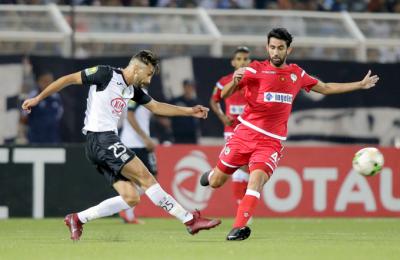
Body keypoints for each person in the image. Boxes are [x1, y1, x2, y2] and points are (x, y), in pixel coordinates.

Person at [200, 28, 379, 241]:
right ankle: (211, 175)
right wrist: (235, 79)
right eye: (272, 47)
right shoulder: (254, 69)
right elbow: (224, 94)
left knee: (256, 180)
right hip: (244, 134)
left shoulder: (297, 74)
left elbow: (326, 87)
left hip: (271, 142)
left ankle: (239, 228)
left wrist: (359, 84)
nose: (275, 52)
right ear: (267, 48)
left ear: (288, 49)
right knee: (217, 182)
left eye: (280, 48)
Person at [22, 50, 221, 241]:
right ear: (137, 68)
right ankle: (189, 220)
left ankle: (77, 219)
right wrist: (37, 99)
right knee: (146, 178)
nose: (149, 80)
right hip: (102, 139)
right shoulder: (105, 74)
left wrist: (189, 111)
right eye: (149, 73)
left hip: (99, 144)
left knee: (131, 197)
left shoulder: (131, 89)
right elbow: (68, 79)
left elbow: (156, 106)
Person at [209, 46, 251, 208]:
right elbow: (214, 100)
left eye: (245, 59)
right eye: (239, 59)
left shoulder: (255, 79)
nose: (242, 62)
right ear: (233, 62)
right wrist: (222, 116)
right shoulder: (224, 81)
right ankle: (242, 204)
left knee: (245, 166)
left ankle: (215, 172)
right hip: (232, 129)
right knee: (241, 164)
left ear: (250, 61)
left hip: (250, 129)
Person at [118, 86, 157, 224]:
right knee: (150, 179)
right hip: (136, 144)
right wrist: (145, 138)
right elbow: (129, 115)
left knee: (142, 180)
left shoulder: (132, 93)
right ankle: (126, 208)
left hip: (132, 142)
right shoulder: (136, 93)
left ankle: (127, 211)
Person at [21, 72, 63, 144]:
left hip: (52, 139)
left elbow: (59, 115)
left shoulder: (56, 97)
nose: (47, 84)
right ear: (38, 82)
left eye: (50, 81)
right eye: (45, 81)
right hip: (35, 139)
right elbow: (24, 117)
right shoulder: (32, 96)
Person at [170, 79, 200, 144]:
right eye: (188, 86)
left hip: (192, 135)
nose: (189, 89)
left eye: (191, 87)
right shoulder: (176, 101)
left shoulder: (196, 103)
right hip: (177, 134)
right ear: (184, 87)